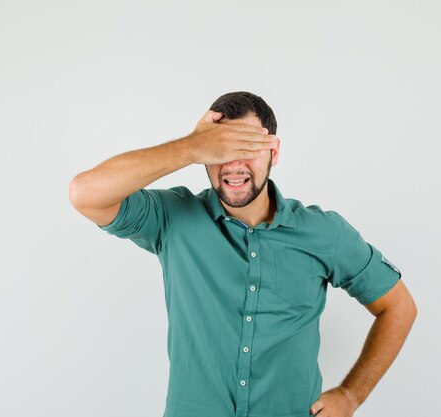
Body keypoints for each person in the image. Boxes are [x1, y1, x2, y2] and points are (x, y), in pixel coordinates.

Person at [69, 91, 417, 417]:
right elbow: (84, 193)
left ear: (274, 152)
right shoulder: (172, 218)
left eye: (247, 146)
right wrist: (189, 147)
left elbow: (398, 306)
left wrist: (351, 395)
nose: (232, 164)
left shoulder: (326, 232)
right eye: (219, 149)